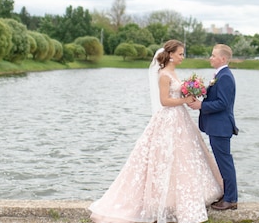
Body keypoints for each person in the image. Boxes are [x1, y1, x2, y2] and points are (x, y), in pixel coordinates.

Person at [89, 39, 223, 223]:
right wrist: (185, 100)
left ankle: (180, 199)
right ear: (170, 55)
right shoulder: (163, 75)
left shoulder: (173, 72)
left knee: (183, 158)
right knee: (167, 158)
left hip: (180, 118)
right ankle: (164, 201)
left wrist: (188, 94)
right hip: (168, 119)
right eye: (180, 53)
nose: (182, 57)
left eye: (183, 53)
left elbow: (175, 95)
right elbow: (165, 101)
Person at [188, 44, 239, 211]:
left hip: (221, 127)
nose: (210, 58)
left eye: (213, 55)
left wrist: (201, 105)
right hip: (217, 126)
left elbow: (223, 103)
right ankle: (228, 195)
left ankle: (231, 199)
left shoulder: (225, 77)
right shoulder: (220, 75)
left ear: (222, 59)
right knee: (223, 162)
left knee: (225, 163)